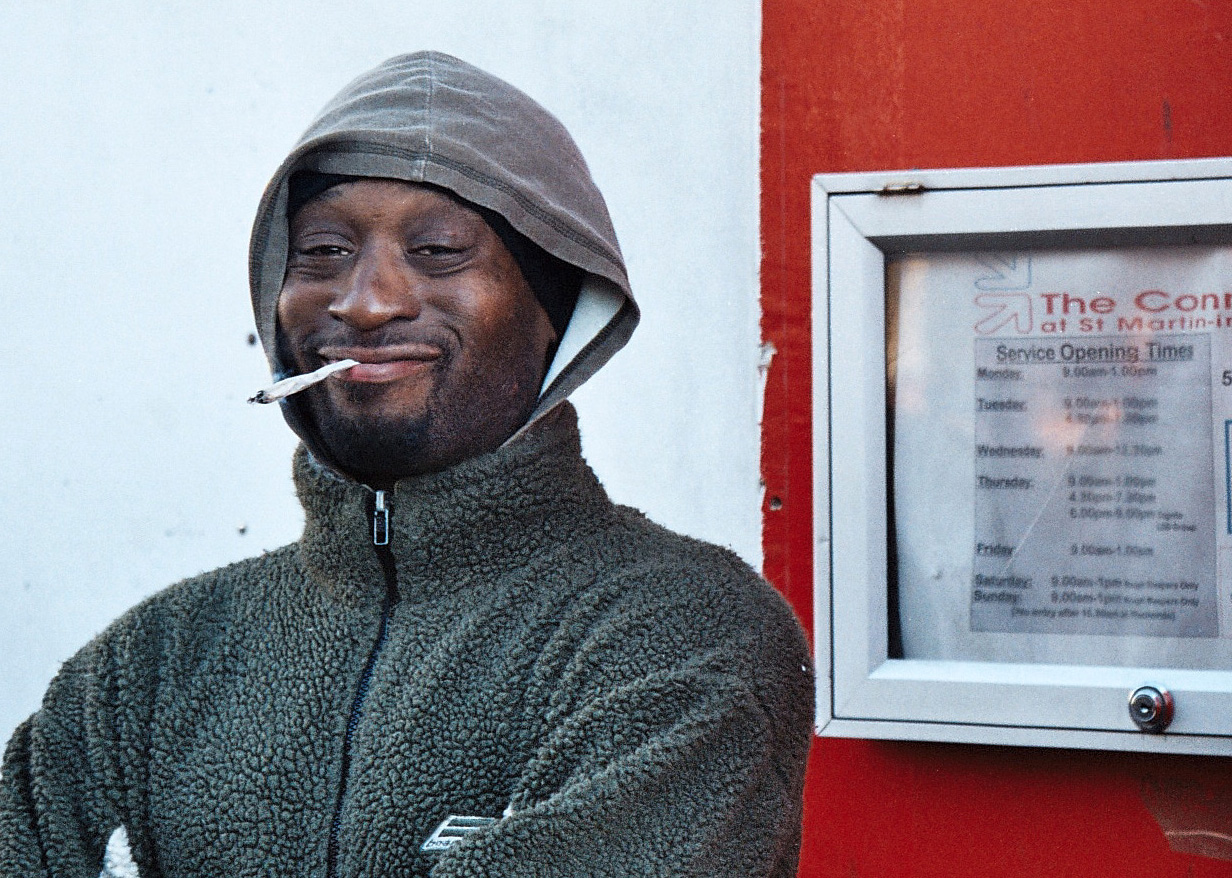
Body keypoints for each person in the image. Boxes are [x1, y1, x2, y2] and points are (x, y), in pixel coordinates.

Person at [0, 51, 813, 878]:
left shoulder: (680, 632)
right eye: (322, 250)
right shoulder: (148, 665)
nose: (365, 302)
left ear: (557, 306)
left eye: (436, 250)